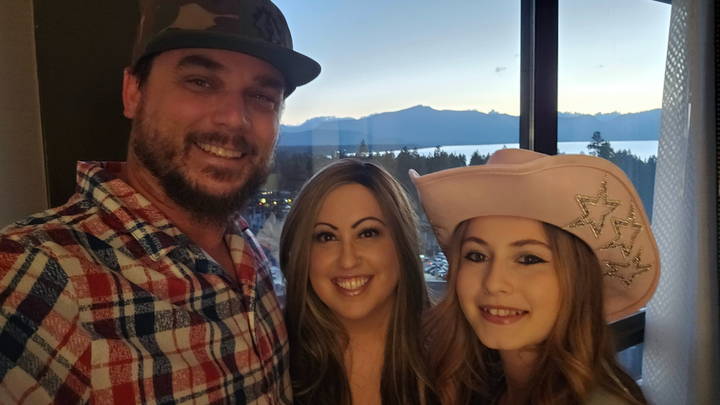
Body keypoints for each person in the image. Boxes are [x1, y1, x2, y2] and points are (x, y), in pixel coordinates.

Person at [0, 0, 320, 403]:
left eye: (262, 96)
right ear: (133, 92)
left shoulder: (243, 247)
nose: (234, 118)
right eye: (201, 81)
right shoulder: (36, 278)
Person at [412, 149, 660, 405]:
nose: (494, 283)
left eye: (529, 259)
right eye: (477, 256)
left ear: (578, 281)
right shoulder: (476, 385)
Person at [279, 159, 435, 405]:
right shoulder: (272, 361)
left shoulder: (457, 361)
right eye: (326, 237)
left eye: (367, 233)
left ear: (402, 243)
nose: (348, 261)